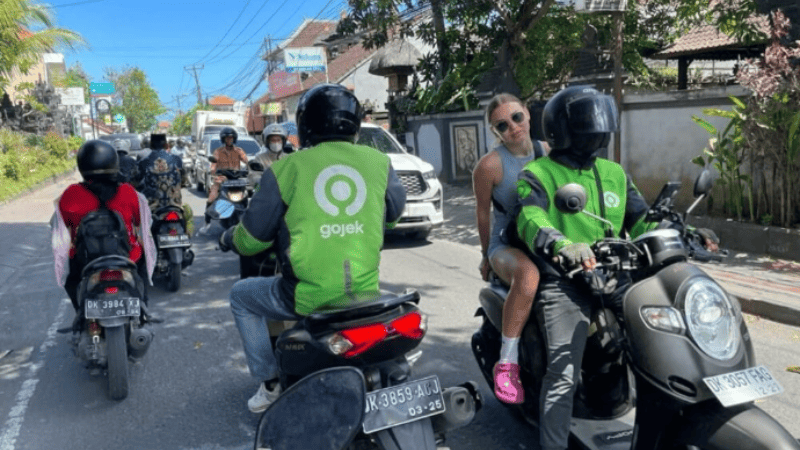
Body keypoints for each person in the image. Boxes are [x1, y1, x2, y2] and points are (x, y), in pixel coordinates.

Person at [514, 85, 719, 450]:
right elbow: (531, 219)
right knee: (562, 371)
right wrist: (564, 246)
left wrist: (686, 233)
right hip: (565, 282)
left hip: (617, 276)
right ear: (563, 131)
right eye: (587, 128)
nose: (597, 134)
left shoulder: (613, 173)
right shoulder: (537, 173)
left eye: (600, 127)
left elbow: (641, 222)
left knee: (666, 342)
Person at [218, 83, 407, 413]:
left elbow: (251, 242)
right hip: (366, 294)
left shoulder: (286, 169)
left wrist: (229, 237)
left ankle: (270, 382)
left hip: (307, 298)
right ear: (355, 123)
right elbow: (392, 216)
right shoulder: (379, 162)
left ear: (305, 126)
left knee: (241, 295)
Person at [472, 93, 547, 405]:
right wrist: (486, 255)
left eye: (516, 117)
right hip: (508, 242)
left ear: (527, 114)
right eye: (502, 125)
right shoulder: (489, 166)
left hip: (545, 237)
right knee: (528, 277)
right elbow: (482, 214)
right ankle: (507, 363)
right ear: (496, 132)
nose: (513, 127)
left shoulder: (547, 152)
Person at [51, 140, 155, 313]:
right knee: (141, 271)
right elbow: (141, 222)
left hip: (86, 261)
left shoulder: (71, 194)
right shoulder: (128, 192)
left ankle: (82, 316)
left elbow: (64, 227)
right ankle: (142, 307)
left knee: (72, 283)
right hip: (127, 257)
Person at [201, 127, 248, 232]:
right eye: (227, 138)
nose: (229, 140)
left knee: (248, 196)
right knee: (211, 198)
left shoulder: (239, 151)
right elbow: (213, 164)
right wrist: (213, 170)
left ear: (234, 139)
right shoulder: (218, 151)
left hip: (237, 179)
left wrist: (252, 167)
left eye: (231, 138)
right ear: (223, 139)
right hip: (221, 178)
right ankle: (207, 222)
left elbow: (246, 161)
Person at [137, 134, 184, 212]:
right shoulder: (177, 159)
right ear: (166, 145)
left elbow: (136, 181)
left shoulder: (144, 162)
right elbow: (184, 177)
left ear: (151, 146)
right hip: (175, 204)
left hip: (152, 207)